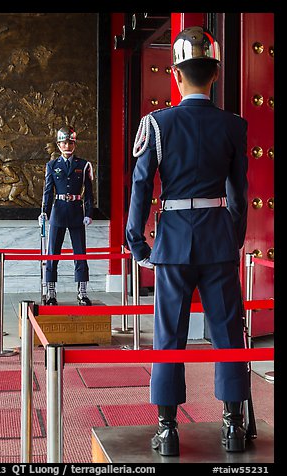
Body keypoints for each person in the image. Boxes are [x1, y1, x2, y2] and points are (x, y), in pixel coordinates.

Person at [126, 26, 250, 456]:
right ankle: (232, 426)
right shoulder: (233, 125)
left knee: (169, 335)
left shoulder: (157, 124)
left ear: (176, 76)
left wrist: (138, 244)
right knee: (228, 334)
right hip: (217, 239)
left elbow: (141, 188)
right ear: (214, 74)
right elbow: (239, 193)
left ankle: (167, 430)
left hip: (173, 241)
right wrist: (231, 238)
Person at [39, 126, 94, 305]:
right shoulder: (52, 165)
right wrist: (44, 212)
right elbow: (48, 192)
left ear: (74, 144)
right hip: (59, 212)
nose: (67, 146)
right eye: (64, 142)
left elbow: (89, 193)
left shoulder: (83, 165)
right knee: (52, 253)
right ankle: (51, 293)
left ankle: (82, 292)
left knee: (80, 253)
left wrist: (89, 213)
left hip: (77, 211)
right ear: (58, 145)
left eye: (70, 142)